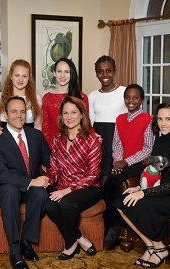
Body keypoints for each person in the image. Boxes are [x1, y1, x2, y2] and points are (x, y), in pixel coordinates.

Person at [114, 102, 170, 268]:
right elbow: (153, 172)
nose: (163, 123)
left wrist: (144, 194)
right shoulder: (158, 141)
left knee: (139, 204)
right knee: (121, 203)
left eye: (168, 119)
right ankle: (151, 245)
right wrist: (140, 187)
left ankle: (160, 249)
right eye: (160, 119)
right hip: (158, 188)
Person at [0, 96, 50, 269]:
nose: (19, 115)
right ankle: (14, 249)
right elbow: (0, 174)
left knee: (40, 194)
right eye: (14, 111)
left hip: (28, 186)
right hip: (6, 186)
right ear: (5, 114)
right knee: (10, 191)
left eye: (22, 111)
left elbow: (50, 161)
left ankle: (26, 243)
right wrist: (32, 181)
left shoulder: (35, 136)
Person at [46, 96, 103, 260]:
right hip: (63, 185)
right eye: (65, 113)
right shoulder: (58, 139)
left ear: (82, 115)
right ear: (61, 117)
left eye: (73, 112)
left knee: (67, 203)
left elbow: (93, 174)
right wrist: (48, 182)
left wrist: (67, 190)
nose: (69, 117)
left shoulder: (92, 140)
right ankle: (80, 238)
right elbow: (55, 168)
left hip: (90, 187)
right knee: (49, 204)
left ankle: (70, 245)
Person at [102, 84, 154, 248]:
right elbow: (116, 144)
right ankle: (110, 224)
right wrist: (118, 161)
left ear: (142, 100)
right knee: (107, 183)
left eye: (135, 97)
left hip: (140, 164)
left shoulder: (148, 119)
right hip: (123, 163)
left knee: (112, 181)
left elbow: (148, 149)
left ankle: (113, 227)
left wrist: (126, 162)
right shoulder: (120, 119)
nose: (131, 101)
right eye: (128, 97)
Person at [88, 55, 127, 185]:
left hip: (118, 138)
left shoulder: (125, 92)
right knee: (100, 175)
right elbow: (90, 122)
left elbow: (132, 118)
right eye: (100, 71)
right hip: (100, 139)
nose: (105, 74)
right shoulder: (92, 96)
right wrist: (94, 137)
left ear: (115, 71)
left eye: (108, 70)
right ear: (96, 74)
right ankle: (100, 202)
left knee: (115, 176)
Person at [42, 58, 89, 147]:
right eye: (59, 71)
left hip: (77, 146)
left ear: (71, 74)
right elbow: (45, 128)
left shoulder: (82, 97)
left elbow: (86, 124)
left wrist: (94, 136)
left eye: (67, 72)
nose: (62, 75)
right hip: (53, 146)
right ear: (54, 73)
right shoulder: (47, 98)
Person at [0, 59, 42, 135]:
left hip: (29, 141)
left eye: (24, 76)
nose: (20, 79)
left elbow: (38, 126)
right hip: (6, 140)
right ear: (11, 76)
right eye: (17, 75)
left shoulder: (36, 98)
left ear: (29, 78)